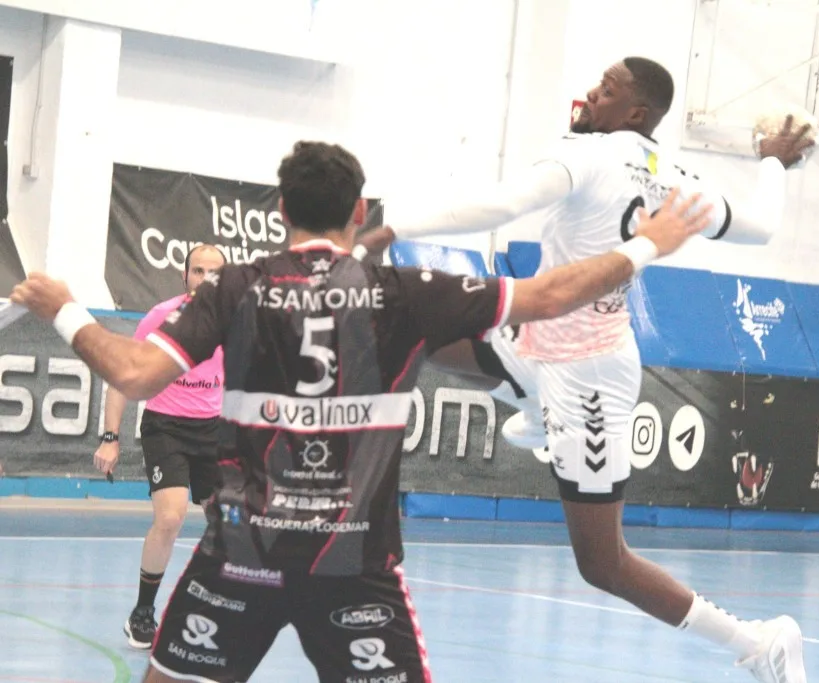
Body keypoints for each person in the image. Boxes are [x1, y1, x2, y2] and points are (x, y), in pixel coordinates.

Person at [10, 140, 712, 683]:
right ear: (358, 214)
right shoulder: (405, 291)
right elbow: (552, 295)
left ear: (280, 211)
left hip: (241, 559)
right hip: (352, 566)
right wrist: (649, 242)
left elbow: (133, 372)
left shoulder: (234, 289)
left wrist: (64, 308)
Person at [357, 57, 813, 682]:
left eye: (607, 89)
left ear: (635, 112)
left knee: (603, 563)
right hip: (536, 341)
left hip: (588, 376)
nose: (591, 94)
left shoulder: (587, 156)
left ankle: (760, 642)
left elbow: (502, 204)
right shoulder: (680, 180)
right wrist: (772, 162)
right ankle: (532, 402)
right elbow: (760, 227)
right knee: (414, 325)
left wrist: (393, 227)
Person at [93, 244, 227, 648]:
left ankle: (211, 610)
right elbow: (124, 375)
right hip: (166, 427)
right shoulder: (161, 317)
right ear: (185, 276)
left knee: (228, 526)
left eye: (214, 273)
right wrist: (111, 438)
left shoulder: (237, 321)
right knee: (170, 517)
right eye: (198, 271)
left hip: (213, 429)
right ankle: (142, 613)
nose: (205, 279)